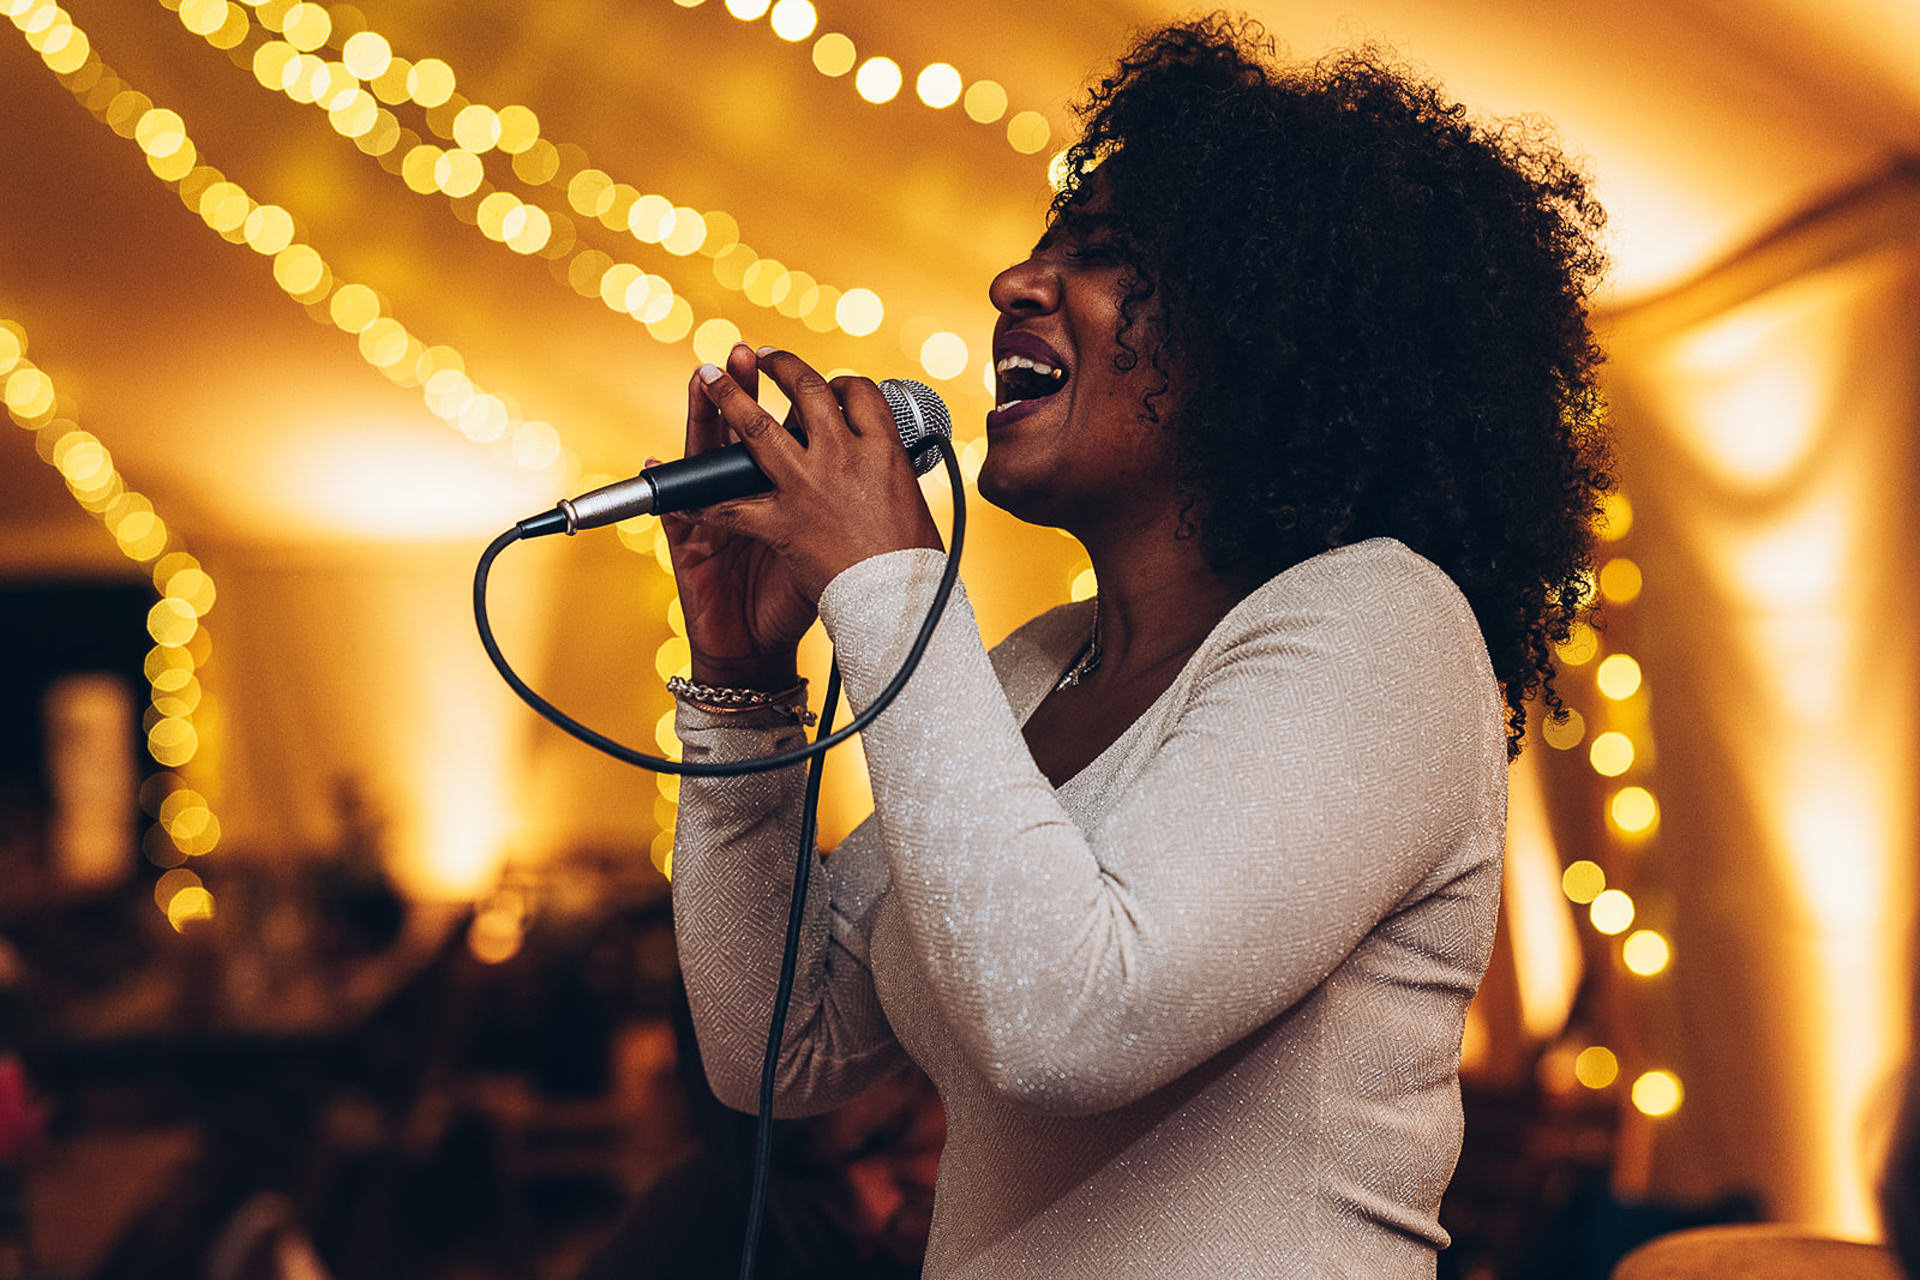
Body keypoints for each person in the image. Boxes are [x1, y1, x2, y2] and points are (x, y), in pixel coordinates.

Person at [662, 15, 1611, 1278]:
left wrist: (889, 584)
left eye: (1105, 255)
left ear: (1275, 333)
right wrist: (743, 693)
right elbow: (776, 1049)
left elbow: (1068, 1018)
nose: (1015, 282)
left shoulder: (1383, 628)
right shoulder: (1028, 669)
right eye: (1043, 243)